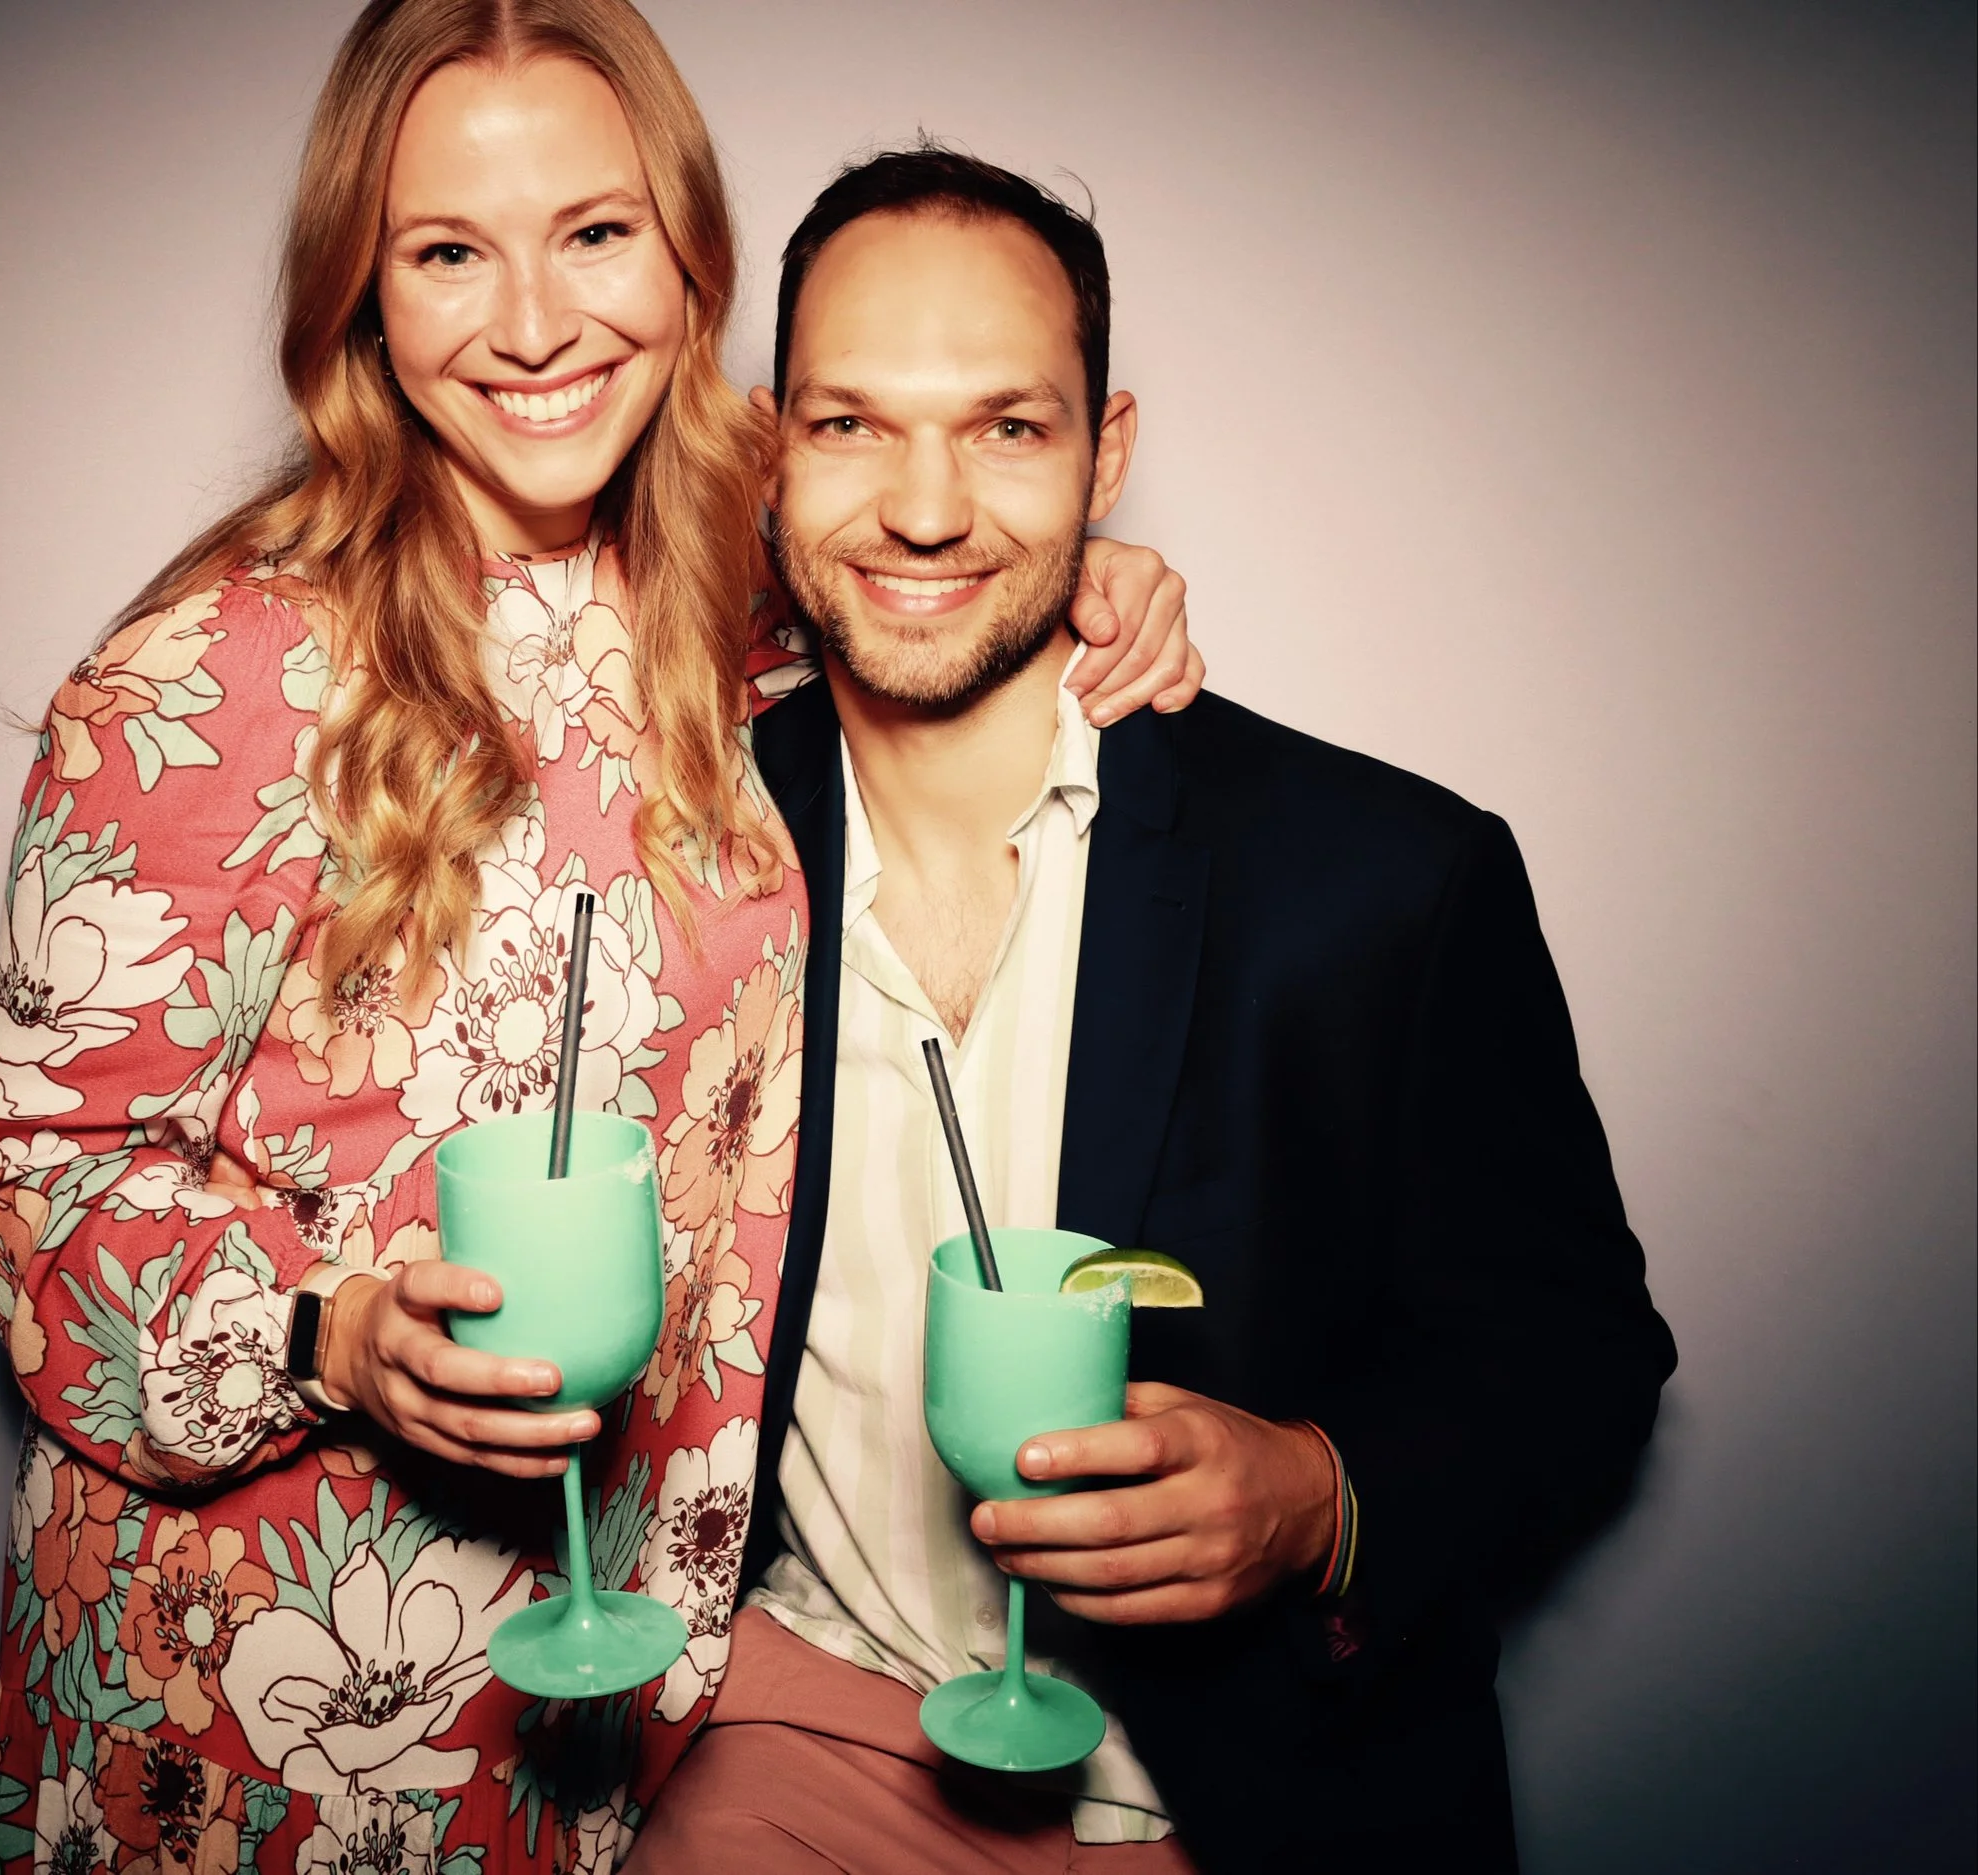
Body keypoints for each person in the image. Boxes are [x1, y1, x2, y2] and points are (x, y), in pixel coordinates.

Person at [0, 5, 1197, 1869]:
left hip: (651, 1687)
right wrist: (336, 1333)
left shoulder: (743, 614)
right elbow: (28, 1201)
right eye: (451, 251)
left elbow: (927, 563)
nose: (535, 324)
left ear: (691, 257)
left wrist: (1081, 568)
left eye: (595, 234)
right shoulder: (209, 676)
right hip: (268, 1687)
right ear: (363, 298)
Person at [626, 148, 1677, 1874]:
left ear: (1108, 449)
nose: (924, 506)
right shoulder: (673, 828)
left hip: (1241, 1797)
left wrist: (1321, 1495)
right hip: (795, 1733)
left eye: (1007, 429)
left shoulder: (1387, 883)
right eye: (852, 425)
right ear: (771, 444)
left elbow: (1579, 1361)